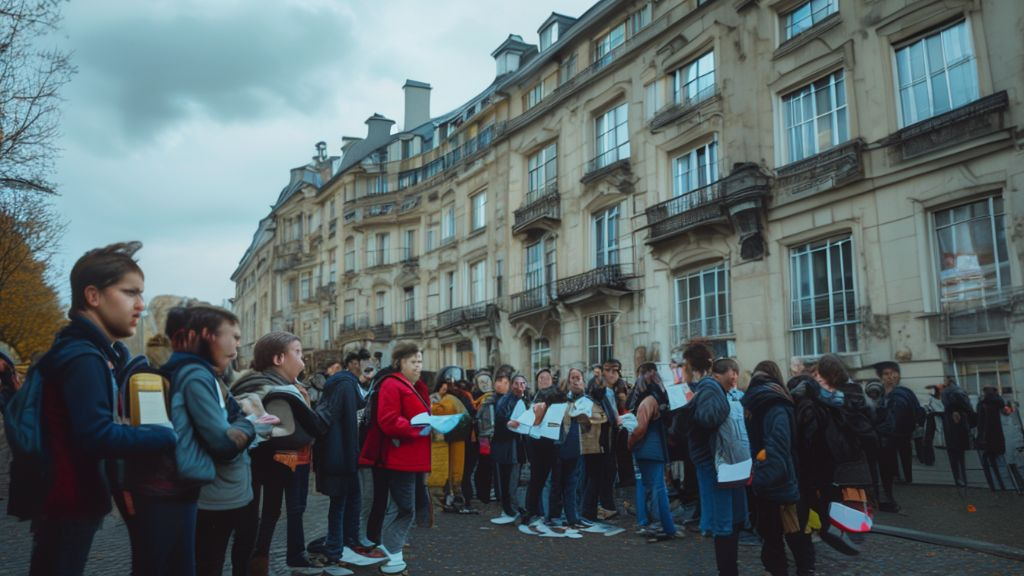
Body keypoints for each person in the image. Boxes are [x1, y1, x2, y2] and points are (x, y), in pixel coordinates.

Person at [23, 242, 178, 576]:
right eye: (130, 293)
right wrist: (163, 434)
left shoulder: (81, 351)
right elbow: (96, 436)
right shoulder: (84, 357)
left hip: (63, 498)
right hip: (70, 500)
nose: (140, 305)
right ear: (93, 296)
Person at [163, 305, 263, 576]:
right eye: (233, 336)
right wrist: (250, 422)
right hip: (212, 497)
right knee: (209, 564)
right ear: (207, 336)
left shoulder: (210, 375)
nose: (238, 345)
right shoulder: (196, 376)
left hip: (228, 493)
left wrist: (241, 420)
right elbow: (225, 444)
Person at [230, 331, 324, 573]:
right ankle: (253, 566)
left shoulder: (272, 384)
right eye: (298, 352)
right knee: (254, 521)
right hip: (257, 465)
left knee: (268, 515)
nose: (303, 360)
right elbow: (308, 428)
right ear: (279, 359)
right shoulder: (273, 390)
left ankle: (258, 564)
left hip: (265, 465)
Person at [358, 341, 431, 575]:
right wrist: (417, 427)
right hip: (397, 458)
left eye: (420, 361)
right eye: (413, 362)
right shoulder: (392, 384)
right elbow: (388, 420)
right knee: (402, 507)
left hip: (409, 457)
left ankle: (390, 551)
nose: (418, 366)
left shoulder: (412, 386)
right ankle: (391, 553)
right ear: (400, 362)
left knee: (404, 506)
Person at [790, 354, 871, 558]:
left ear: (831, 374)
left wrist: (811, 391)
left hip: (846, 456)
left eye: (821, 374)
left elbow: (839, 404)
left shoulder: (849, 392)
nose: (818, 378)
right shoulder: (829, 394)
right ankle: (832, 532)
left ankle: (844, 532)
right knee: (830, 496)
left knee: (844, 498)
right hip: (833, 457)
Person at [743, 361, 814, 576]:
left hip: (769, 478)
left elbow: (773, 445)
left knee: (774, 535)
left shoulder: (760, 403)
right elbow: (778, 446)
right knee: (794, 533)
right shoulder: (775, 403)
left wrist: (761, 479)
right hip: (782, 480)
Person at [315, 349, 382, 571]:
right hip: (342, 455)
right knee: (341, 503)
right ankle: (337, 549)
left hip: (346, 454)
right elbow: (348, 421)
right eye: (365, 362)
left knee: (351, 500)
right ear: (353, 363)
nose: (369, 367)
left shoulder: (352, 384)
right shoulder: (345, 384)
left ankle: (348, 544)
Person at [687, 346, 748, 576]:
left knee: (731, 520)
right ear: (728, 373)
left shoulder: (716, 391)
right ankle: (728, 571)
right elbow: (707, 418)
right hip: (715, 463)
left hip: (724, 462)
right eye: (734, 374)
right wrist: (728, 403)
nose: (736, 378)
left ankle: (730, 569)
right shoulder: (712, 390)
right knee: (723, 522)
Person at [627, 363, 679, 542]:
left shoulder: (647, 401)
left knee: (657, 489)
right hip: (656, 448)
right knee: (658, 488)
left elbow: (640, 429)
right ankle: (667, 526)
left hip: (647, 448)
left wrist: (630, 442)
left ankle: (661, 526)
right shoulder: (658, 398)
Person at [427, 366, 472, 513]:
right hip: (445, 440)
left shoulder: (453, 398)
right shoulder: (447, 399)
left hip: (452, 438)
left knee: (453, 471)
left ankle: (451, 498)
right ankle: (446, 499)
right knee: (447, 471)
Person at [874, 361, 923, 494]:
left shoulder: (902, 392)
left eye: (894, 373)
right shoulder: (880, 394)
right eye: (887, 374)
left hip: (900, 433)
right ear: (881, 377)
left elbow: (917, 411)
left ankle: (904, 479)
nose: (891, 376)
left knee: (902, 457)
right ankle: (900, 478)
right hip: (892, 434)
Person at [580, 363, 618, 523]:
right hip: (595, 446)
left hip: (601, 444)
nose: (603, 389)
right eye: (601, 386)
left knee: (596, 478)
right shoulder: (590, 402)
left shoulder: (601, 400)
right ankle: (588, 511)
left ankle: (591, 509)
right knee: (593, 478)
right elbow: (593, 421)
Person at [550, 367, 587, 529]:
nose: (575, 380)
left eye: (578, 377)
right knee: (557, 483)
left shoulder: (586, 399)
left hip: (577, 445)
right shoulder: (561, 398)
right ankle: (553, 515)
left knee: (572, 484)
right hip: (560, 444)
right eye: (572, 377)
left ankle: (572, 517)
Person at [489, 367, 522, 524]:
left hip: (513, 443)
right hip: (503, 443)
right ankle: (508, 507)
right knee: (505, 477)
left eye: (504, 381)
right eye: (498, 380)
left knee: (510, 476)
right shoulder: (500, 400)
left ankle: (510, 506)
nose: (500, 384)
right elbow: (501, 420)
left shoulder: (515, 398)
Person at [941, 379, 976, 488]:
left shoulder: (944, 394)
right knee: (961, 455)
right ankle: (964, 479)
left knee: (953, 455)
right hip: (961, 426)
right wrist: (973, 419)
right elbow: (969, 408)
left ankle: (957, 479)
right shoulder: (959, 391)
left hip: (949, 426)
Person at [976, 386, 1008, 491]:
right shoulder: (1000, 403)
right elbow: (1007, 414)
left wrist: (979, 437)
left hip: (986, 438)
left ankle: (993, 486)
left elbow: (979, 422)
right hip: (998, 438)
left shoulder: (981, 404)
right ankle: (1004, 485)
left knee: (988, 462)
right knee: (1000, 462)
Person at [472, 371, 496, 504]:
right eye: (481, 382)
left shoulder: (490, 398)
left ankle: (485, 492)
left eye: (486, 381)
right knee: (484, 464)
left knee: (487, 464)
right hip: (483, 437)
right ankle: (483, 493)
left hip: (487, 436)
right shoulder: (478, 399)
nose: (485, 384)